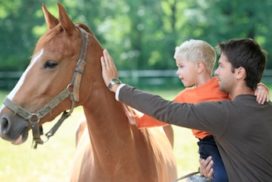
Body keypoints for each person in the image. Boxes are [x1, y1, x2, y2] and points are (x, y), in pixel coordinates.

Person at [101, 38, 272, 181]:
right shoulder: (264, 108)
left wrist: (116, 86)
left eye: (221, 66)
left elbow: (165, 110)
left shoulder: (224, 112)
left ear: (240, 73)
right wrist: (257, 85)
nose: (216, 72)